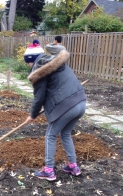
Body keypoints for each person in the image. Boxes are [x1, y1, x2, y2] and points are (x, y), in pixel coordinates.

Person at [24, 40, 86, 181]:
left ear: (31, 60)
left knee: (50, 135)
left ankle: (49, 170)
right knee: (65, 133)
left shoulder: (40, 71)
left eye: (27, 62)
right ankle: (73, 166)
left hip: (66, 106)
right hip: (81, 102)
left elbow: (39, 98)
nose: (28, 66)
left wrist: (32, 115)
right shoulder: (57, 63)